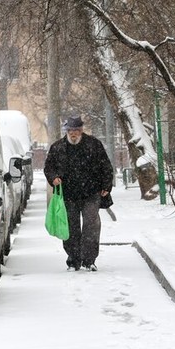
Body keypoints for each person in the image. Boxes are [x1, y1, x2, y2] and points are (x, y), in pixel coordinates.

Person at [44, 115, 113, 271]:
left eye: (76, 130)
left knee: (91, 225)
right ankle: (74, 258)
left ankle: (89, 260)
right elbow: (49, 167)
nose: (73, 133)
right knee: (70, 227)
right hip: (68, 195)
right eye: (70, 130)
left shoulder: (93, 145)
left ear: (82, 130)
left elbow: (106, 167)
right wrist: (53, 178)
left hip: (91, 193)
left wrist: (106, 186)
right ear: (66, 131)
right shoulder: (58, 147)